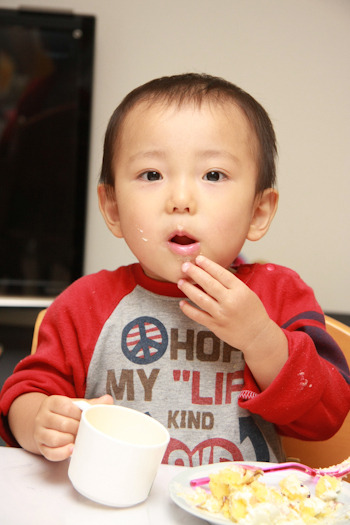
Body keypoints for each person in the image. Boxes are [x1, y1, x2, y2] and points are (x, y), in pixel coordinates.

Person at [0, 73, 349, 466]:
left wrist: (258, 337)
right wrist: (38, 422)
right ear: (113, 209)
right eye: (152, 175)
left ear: (258, 212)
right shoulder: (86, 305)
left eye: (213, 175)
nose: (180, 199)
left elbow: (326, 416)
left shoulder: (279, 295)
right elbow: (25, 393)